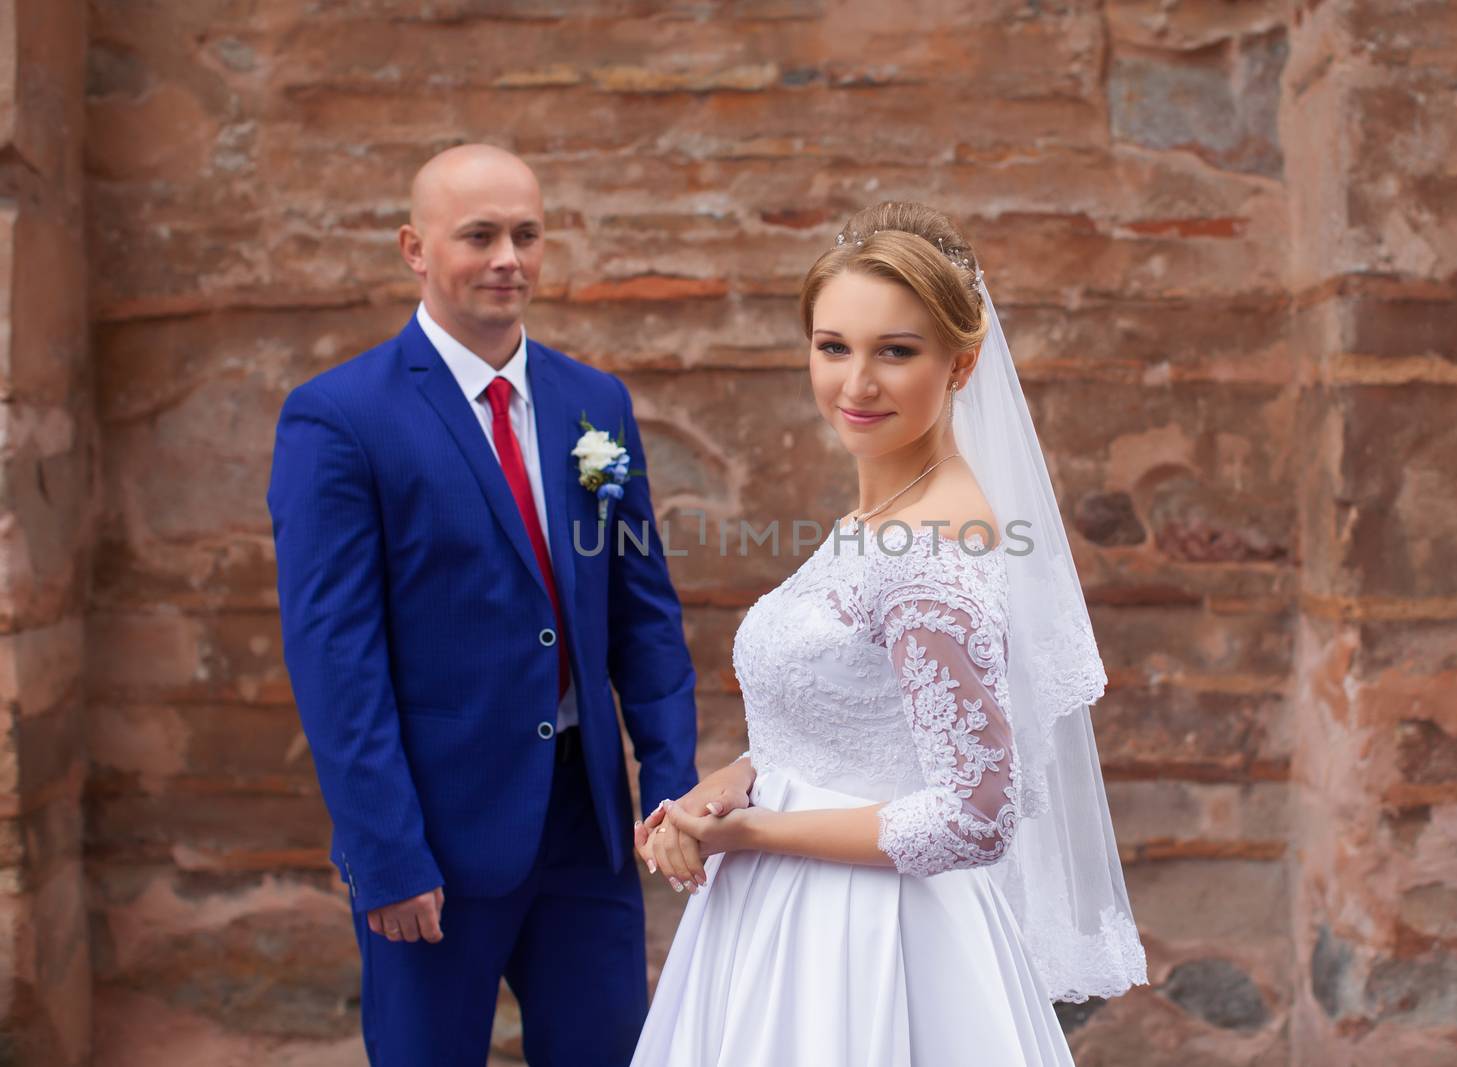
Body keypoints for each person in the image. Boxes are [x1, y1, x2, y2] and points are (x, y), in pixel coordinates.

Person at [630, 202, 1148, 1066]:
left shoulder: (930, 555)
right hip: (783, 919)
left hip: (871, 944)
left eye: (895, 352)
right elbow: (858, 716)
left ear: (962, 363)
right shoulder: (884, 515)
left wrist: (752, 833)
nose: (856, 384)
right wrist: (731, 782)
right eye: (834, 347)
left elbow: (975, 815)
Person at [267, 144, 752, 1067]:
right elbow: (336, 659)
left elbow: (641, 608)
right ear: (415, 248)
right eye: (478, 235)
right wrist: (387, 851)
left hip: (589, 824)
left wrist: (669, 782)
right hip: (435, 832)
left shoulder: (592, 403)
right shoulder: (338, 417)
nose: (508, 259)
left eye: (526, 235)